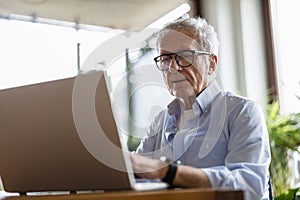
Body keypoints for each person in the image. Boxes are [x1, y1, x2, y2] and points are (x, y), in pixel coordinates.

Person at [129, 17, 272, 200]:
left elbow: (249, 186)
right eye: (166, 58)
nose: (173, 67)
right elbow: (137, 172)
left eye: (184, 56)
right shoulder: (160, 120)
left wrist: (169, 172)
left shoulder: (242, 111)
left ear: (211, 63)